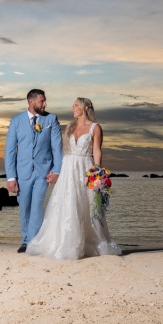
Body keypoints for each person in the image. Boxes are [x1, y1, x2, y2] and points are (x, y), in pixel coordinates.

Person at [25, 97, 122, 260]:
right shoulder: (70, 127)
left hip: (85, 166)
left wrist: (96, 173)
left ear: (85, 108)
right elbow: (62, 151)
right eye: (73, 105)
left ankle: (86, 242)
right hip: (68, 167)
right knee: (66, 202)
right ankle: (63, 242)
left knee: (85, 204)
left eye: (76, 105)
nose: (73, 108)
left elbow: (97, 151)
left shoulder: (95, 128)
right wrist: (56, 171)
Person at [4, 89, 63, 253]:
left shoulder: (51, 119)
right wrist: (11, 177)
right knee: (24, 207)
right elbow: (9, 150)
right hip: (22, 171)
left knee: (37, 205)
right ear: (32, 102)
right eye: (42, 101)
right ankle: (25, 239)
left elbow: (57, 148)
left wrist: (56, 171)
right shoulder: (16, 121)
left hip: (43, 171)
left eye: (45, 101)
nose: (45, 104)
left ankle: (33, 242)